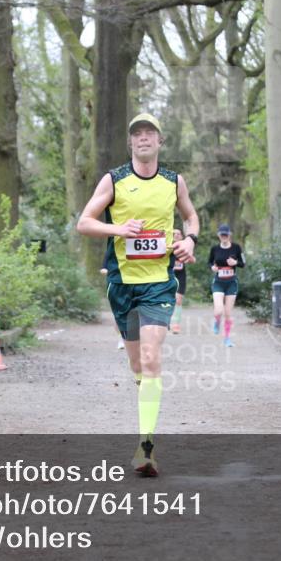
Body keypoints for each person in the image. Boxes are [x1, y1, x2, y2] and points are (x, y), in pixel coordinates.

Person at [77, 112, 199, 478]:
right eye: (137, 134)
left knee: (150, 357)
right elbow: (84, 222)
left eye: (150, 133)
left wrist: (190, 240)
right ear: (130, 142)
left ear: (160, 141)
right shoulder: (114, 180)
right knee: (137, 366)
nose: (143, 138)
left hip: (159, 284)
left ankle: (146, 446)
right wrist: (119, 229)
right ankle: (146, 420)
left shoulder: (174, 182)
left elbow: (191, 217)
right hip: (122, 284)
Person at [208, 224, 244, 348]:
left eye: (226, 234)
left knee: (228, 313)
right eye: (222, 234)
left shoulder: (236, 248)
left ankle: (227, 339)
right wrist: (212, 267)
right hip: (218, 282)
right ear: (218, 235)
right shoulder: (215, 249)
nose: (224, 236)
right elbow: (209, 262)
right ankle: (217, 322)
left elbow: (243, 263)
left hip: (231, 283)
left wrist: (235, 262)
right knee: (219, 310)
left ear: (229, 235)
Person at [169, 228, 187, 334]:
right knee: (168, 300)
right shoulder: (166, 246)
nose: (176, 235)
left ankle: (176, 324)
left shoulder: (184, 248)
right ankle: (167, 321)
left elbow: (191, 259)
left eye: (178, 234)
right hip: (168, 276)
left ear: (181, 237)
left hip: (181, 276)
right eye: (174, 234)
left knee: (179, 300)